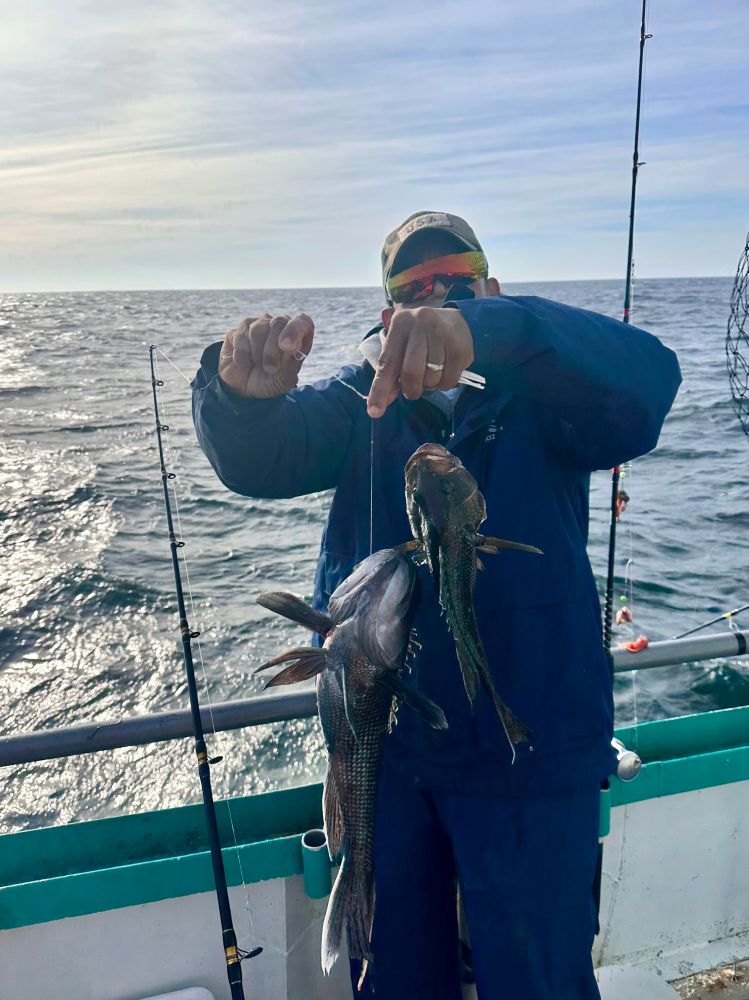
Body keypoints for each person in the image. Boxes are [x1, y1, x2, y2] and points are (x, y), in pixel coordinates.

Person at [192, 211, 681, 1000]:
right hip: (386, 742)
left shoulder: (553, 397)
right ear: (387, 318)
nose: (436, 295)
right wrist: (235, 399)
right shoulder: (360, 399)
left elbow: (649, 382)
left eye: (457, 277)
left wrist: (498, 331)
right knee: (393, 979)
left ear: (490, 290)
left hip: (536, 744)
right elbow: (257, 457)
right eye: (413, 287)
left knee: (539, 978)